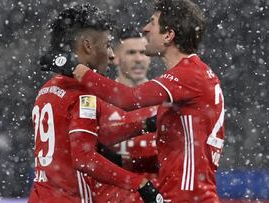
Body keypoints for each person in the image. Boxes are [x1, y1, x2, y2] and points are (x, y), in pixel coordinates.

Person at [41, 0, 225, 202]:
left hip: (188, 197)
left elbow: (129, 99)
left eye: (152, 23)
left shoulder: (189, 75)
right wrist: (123, 160)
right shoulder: (189, 79)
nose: (145, 29)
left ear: (169, 35)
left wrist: (76, 68)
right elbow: (172, 156)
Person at [30, 4, 163, 203]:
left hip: (41, 196)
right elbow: (84, 158)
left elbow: (90, 136)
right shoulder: (84, 94)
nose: (111, 55)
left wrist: (144, 125)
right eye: (107, 44)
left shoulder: (47, 89)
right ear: (88, 46)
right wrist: (139, 183)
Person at [95, 27, 159, 203]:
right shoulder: (98, 101)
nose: (139, 59)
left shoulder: (164, 103)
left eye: (143, 53)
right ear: (115, 57)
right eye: (131, 53)